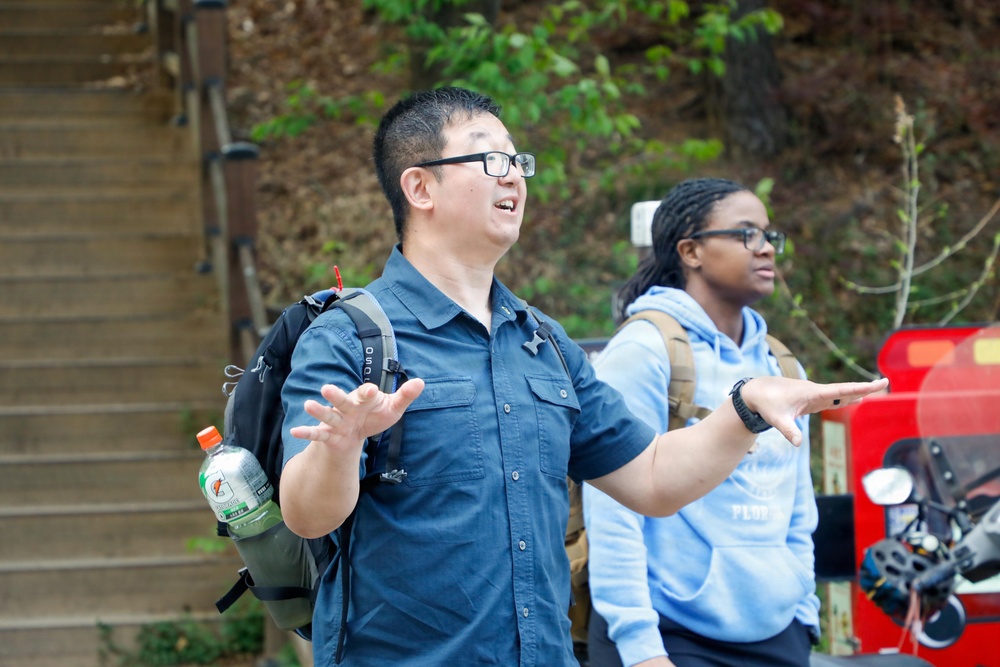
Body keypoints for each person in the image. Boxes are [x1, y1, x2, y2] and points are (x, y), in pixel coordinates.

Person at [277, 88, 887, 666]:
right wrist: (341, 447)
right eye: (491, 159)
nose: (514, 175)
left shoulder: (542, 342)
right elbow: (307, 515)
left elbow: (650, 479)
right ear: (420, 187)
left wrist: (744, 406)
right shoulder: (348, 338)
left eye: (518, 161)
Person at [584, 177, 821, 667]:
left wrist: (803, 611)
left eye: (769, 236)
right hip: (670, 639)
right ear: (690, 251)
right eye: (746, 234)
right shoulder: (644, 350)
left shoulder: (782, 366)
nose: (767, 249)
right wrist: (642, 649)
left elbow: (798, 505)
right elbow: (613, 515)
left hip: (779, 636)